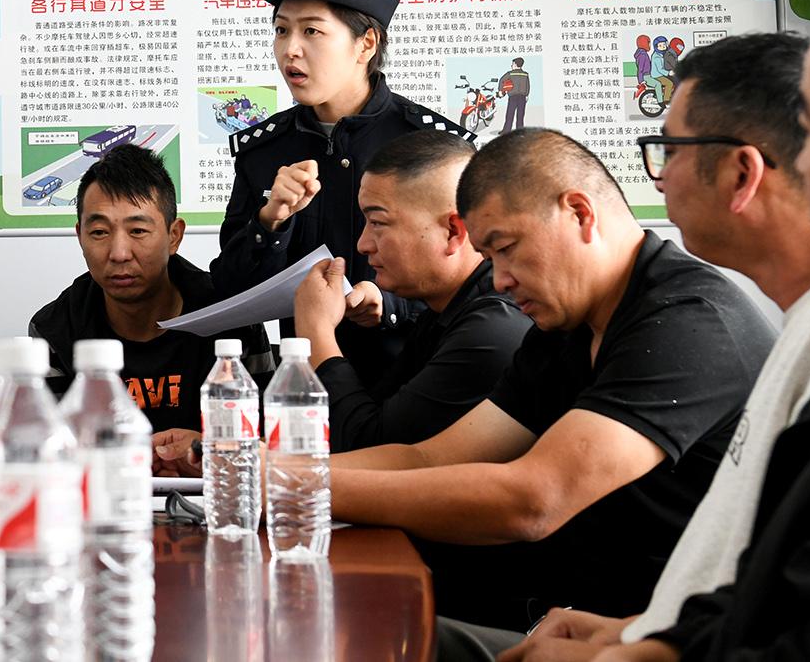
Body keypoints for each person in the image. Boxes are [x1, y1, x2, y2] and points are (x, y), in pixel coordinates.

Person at [480, 33, 810, 662]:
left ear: (741, 173)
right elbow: (769, 582)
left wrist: (637, 655)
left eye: (668, 150)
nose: (806, 165)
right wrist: (644, 634)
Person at [325, 128, 774, 631]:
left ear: (580, 213)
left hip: (678, 638)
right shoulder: (564, 325)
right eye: (490, 258)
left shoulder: (687, 322)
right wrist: (276, 472)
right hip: (573, 620)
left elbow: (534, 501)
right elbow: (428, 457)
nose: (499, 280)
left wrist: (297, 488)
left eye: (506, 248)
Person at [214, 0, 471, 384]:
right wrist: (270, 223)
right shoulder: (263, 152)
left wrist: (390, 305)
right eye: (281, 30)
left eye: (312, 31)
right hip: (305, 388)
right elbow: (230, 289)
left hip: (417, 384)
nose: (290, 49)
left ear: (366, 44)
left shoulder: (431, 148)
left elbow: (475, 276)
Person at [292, 131, 529, 451]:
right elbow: (377, 416)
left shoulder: (493, 329)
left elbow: (373, 450)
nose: (363, 244)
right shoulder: (442, 311)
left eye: (378, 223)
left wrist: (315, 332)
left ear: (453, 231)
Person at [27, 144, 272, 438]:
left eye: (138, 231)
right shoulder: (56, 330)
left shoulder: (232, 317)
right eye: (100, 232)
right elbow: (51, 449)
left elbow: (268, 440)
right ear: (80, 236)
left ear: (174, 236)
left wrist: (202, 449)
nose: (119, 253)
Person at [499, 58, 531, 132]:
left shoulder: (510, 73)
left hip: (513, 97)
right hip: (522, 97)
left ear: (516, 64)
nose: (511, 65)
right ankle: (519, 132)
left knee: (509, 115)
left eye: (512, 64)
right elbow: (528, 85)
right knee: (520, 116)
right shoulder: (525, 74)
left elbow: (501, 80)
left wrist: (501, 90)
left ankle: (506, 131)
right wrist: (527, 95)